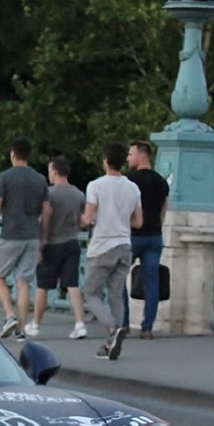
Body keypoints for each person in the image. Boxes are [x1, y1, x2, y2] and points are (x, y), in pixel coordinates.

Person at [0, 137, 49, 341]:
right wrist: (42, 239)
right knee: (23, 283)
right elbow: (46, 212)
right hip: (31, 237)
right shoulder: (40, 179)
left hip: (10, 235)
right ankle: (20, 329)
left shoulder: (5, 177)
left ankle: (9, 315)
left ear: (13, 154)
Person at [80, 142, 142, 361]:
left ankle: (112, 328)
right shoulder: (133, 187)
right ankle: (112, 343)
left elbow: (87, 219)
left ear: (106, 161)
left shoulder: (96, 185)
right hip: (124, 244)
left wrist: (79, 220)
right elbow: (138, 222)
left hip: (102, 245)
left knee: (91, 293)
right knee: (116, 293)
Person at [28, 155, 87, 339]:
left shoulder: (49, 194)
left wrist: (40, 242)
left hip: (51, 243)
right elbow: (82, 221)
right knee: (72, 284)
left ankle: (36, 324)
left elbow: (43, 218)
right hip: (72, 242)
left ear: (54, 171)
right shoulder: (78, 194)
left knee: (43, 286)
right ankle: (80, 324)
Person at [124, 140, 170, 340]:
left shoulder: (130, 181)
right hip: (154, 236)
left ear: (142, 155)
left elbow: (126, 209)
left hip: (134, 236)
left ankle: (123, 324)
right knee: (152, 282)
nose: (128, 157)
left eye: (131, 154)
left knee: (118, 279)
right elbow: (163, 211)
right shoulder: (161, 181)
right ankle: (147, 327)